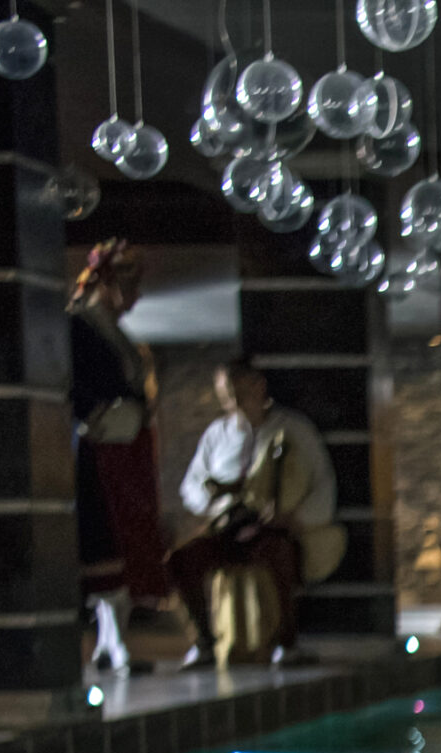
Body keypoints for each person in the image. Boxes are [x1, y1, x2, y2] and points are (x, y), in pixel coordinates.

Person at [166, 358, 345, 670]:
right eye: (227, 395)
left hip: (273, 528)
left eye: (240, 392)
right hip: (227, 528)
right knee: (182, 559)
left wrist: (295, 517)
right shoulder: (217, 435)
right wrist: (211, 497)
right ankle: (204, 642)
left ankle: (287, 643)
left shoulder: (293, 429)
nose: (234, 402)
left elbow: (323, 482)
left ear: (258, 386)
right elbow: (192, 485)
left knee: (280, 555)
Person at [67, 240, 165, 675]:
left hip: (127, 447)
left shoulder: (116, 333)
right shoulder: (79, 326)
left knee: (126, 535)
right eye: (128, 285)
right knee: (106, 537)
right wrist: (94, 414)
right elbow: (69, 382)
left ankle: (112, 641)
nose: (135, 296)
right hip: (100, 449)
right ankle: (115, 640)